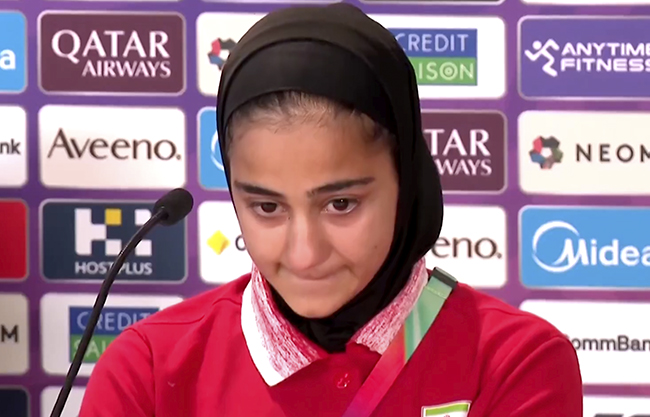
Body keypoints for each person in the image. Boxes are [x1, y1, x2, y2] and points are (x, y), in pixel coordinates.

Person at [79, 3, 583, 416]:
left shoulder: (516, 364)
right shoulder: (147, 370)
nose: (304, 254)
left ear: (408, 183)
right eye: (267, 207)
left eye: (340, 204)